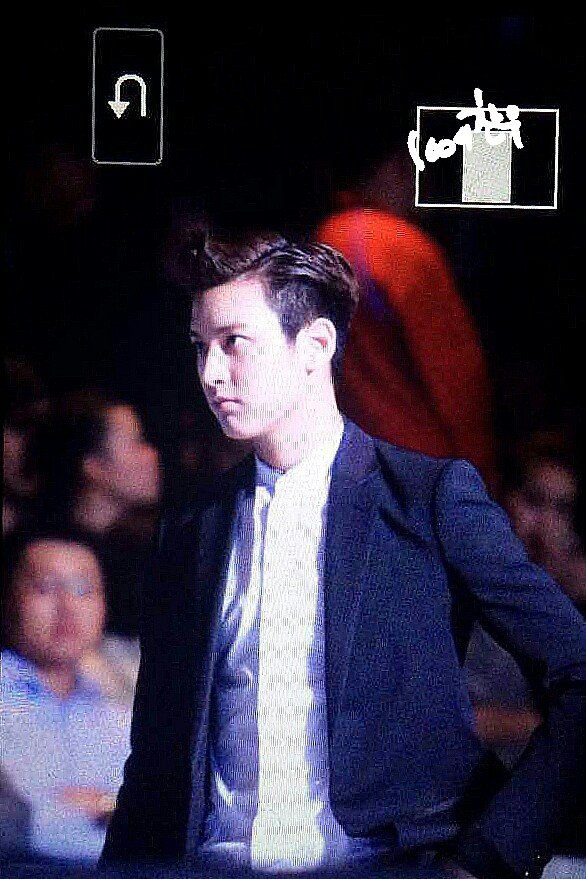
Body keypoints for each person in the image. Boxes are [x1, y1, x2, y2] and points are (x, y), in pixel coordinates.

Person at [100, 233, 586, 879]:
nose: (209, 372)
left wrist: (486, 858)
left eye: (234, 342)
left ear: (316, 345)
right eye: (199, 346)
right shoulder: (192, 528)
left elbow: (578, 672)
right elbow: (155, 758)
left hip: (386, 864)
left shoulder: (427, 499)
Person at [315, 149, 497, 492]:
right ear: (397, 167)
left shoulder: (324, 239)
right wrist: (483, 477)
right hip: (424, 467)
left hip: (351, 460)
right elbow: (455, 379)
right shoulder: (404, 248)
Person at [1, 530, 131, 863]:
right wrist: (108, 810)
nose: (68, 607)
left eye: (84, 590)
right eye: (45, 588)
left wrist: (100, 807)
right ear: (7, 598)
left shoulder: (120, 711)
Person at [33, 392, 162, 703]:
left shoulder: (148, 550)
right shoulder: (40, 550)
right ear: (93, 467)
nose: (152, 454)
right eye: (136, 443)